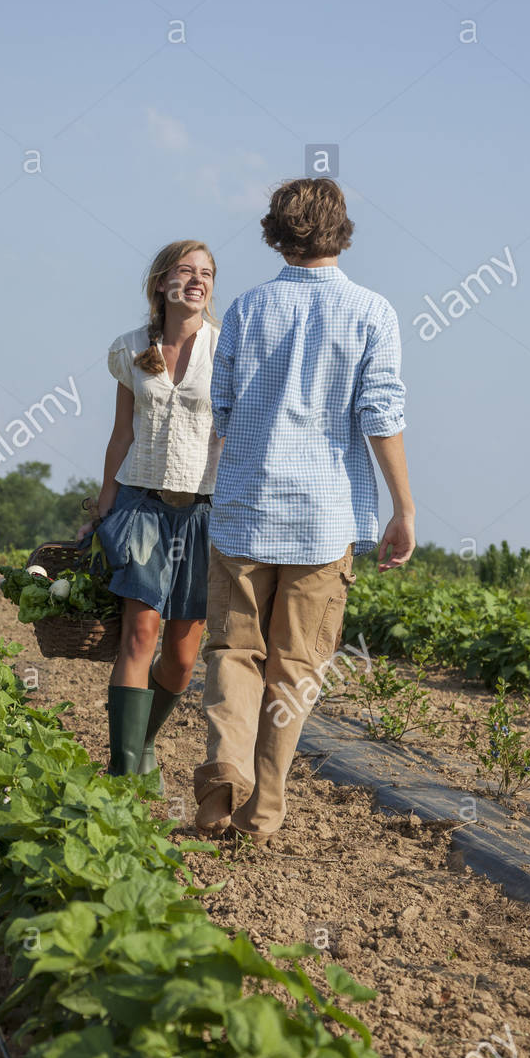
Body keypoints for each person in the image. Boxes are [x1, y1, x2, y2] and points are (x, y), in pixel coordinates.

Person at [193, 177, 415, 846]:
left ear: (276, 231)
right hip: (324, 519)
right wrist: (402, 506)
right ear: (341, 230)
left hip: (244, 509)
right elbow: (380, 414)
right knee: (294, 669)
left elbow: (222, 409)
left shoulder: (247, 308)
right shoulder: (372, 311)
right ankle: (261, 814)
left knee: (233, 652)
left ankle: (221, 783)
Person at [77, 241, 223, 787]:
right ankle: (120, 778)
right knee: (140, 634)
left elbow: (236, 434)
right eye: (186, 270)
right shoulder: (130, 348)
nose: (197, 280)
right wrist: (103, 508)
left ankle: (142, 743)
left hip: (203, 514)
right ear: (161, 282)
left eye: (206, 272)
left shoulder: (226, 349)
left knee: (182, 659)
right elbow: (121, 434)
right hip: (141, 505)